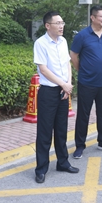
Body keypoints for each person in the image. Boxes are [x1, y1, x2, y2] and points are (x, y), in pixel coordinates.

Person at [33, 11, 79, 184]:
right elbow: (43, 70)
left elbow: (67, 64)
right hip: (48, 92)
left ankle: (63, 162)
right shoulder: (40, 43)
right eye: (57, 23)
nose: (61, 26)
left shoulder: (63, 41)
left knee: (61, 129)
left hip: (63, 91)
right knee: (45, 132)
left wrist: (68, 84)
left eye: (62, 23)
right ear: (47, 26)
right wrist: (63, 84)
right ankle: (41, 169)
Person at [70, 5, 102, 159]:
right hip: (87, 83)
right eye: (101, 16)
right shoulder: (82, 35)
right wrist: (82, 69)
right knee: (83, 115)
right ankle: (80, 146)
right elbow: (73, 55)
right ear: (93, 17)